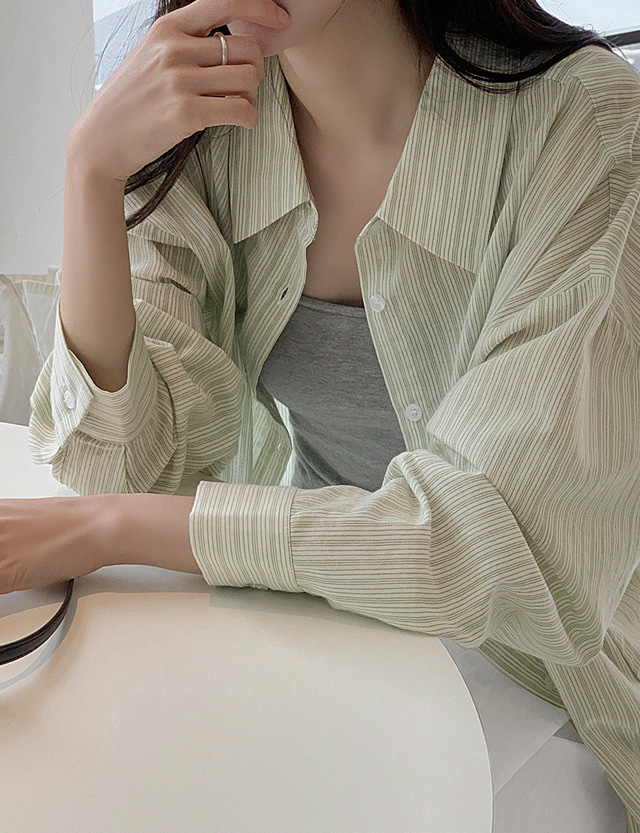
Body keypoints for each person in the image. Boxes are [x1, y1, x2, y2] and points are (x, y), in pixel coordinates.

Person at [11, 0, 640, 829]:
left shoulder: (587, 126)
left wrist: (109, 529)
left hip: (549, 676)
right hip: (317, 618)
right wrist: (91, 170)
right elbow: (124, 466)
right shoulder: (210, 122)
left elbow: (496, 547)